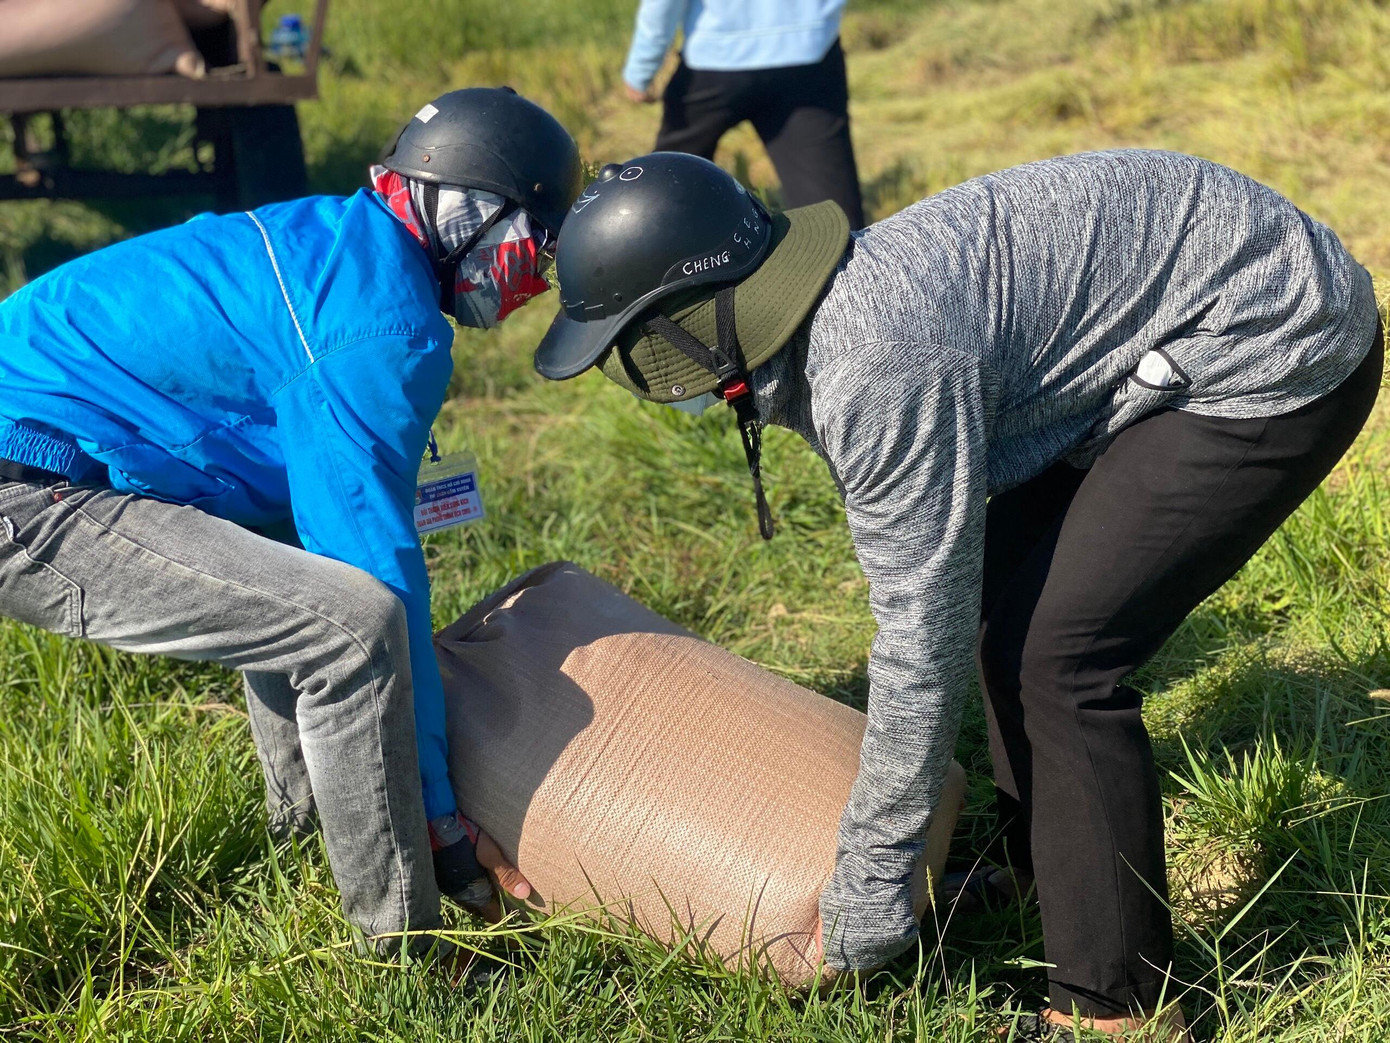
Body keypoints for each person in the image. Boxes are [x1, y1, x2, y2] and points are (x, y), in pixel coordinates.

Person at [532, 151, 1382, 1038]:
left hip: (1273, 337)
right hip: (1180, 314)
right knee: (1000, 606)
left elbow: (916, 648)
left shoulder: (873, 366)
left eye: (636, 350)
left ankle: (1117, 1005)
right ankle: (1049, 873)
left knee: (1058, 659)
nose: (639, 379)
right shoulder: (835, 318)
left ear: (699, 326)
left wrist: (868, 893)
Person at [0, 87, 581, 954]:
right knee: (351, 629)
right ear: (470, 214)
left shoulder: (342, 245)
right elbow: (374, 581)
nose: (532, 280)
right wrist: (443, 823)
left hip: (50, 453)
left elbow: (306, 524)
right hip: (27, 491)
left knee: (296, 587)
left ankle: (301, 842)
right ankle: (403, 953)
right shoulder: (383, 325)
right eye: (533, 245)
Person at [621, 0, 866, 229]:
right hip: (808, 54)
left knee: (665, 191)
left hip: (714, 60)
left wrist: (641, 68)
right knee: (831, 215)